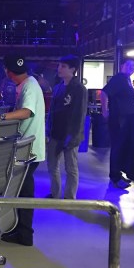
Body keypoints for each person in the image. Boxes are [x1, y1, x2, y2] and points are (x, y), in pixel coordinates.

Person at [0, 54, 46, 246]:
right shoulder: (28, 84)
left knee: (24, 191)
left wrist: (0, 117)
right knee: (22, 189)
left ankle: (25, 234)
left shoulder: (29, 86)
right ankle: (20, 230)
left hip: (29, 148)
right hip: (27, 147)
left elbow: (26, 111)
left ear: (7, 71)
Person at [46, 55, 88, 199]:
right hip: (55, 133)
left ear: (73, 69)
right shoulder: (58, 87)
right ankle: (55, 194)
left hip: (70, 135)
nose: (59, 69)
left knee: (71, 168)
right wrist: (48, 129)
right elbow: (52, 111)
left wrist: (73, 136)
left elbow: (80, 114)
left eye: (63, 66)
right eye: (59, 66)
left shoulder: (79, 89)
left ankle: (70, 198)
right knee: (52, 166)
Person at [100, 58, 134, 188]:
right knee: (117, 147)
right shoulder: (119, 78)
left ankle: (118, 174)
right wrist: (105, 111)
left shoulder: (127, 80)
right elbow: (104, 93)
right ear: (122, 66)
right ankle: (115, 176)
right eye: (129, 65)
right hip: (118, 119)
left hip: (125, 119)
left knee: (122, 147)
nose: (132, 67)